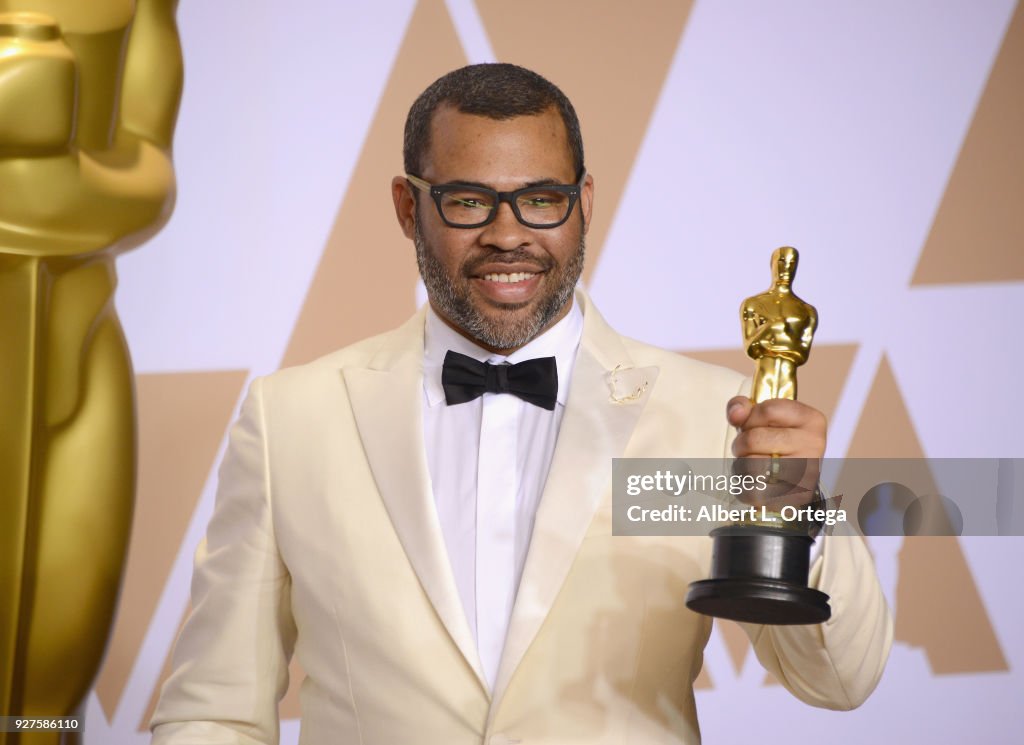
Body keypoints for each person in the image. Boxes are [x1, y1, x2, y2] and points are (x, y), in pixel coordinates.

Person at [151, 63, 891, 745]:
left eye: (541, 199)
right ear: (409, 208)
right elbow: (214, 709)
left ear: (585, 203)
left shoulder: (714, 416)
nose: (508, 235)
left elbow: (837, 679)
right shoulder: (292, 418)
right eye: (469, 201)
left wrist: (798, 511)